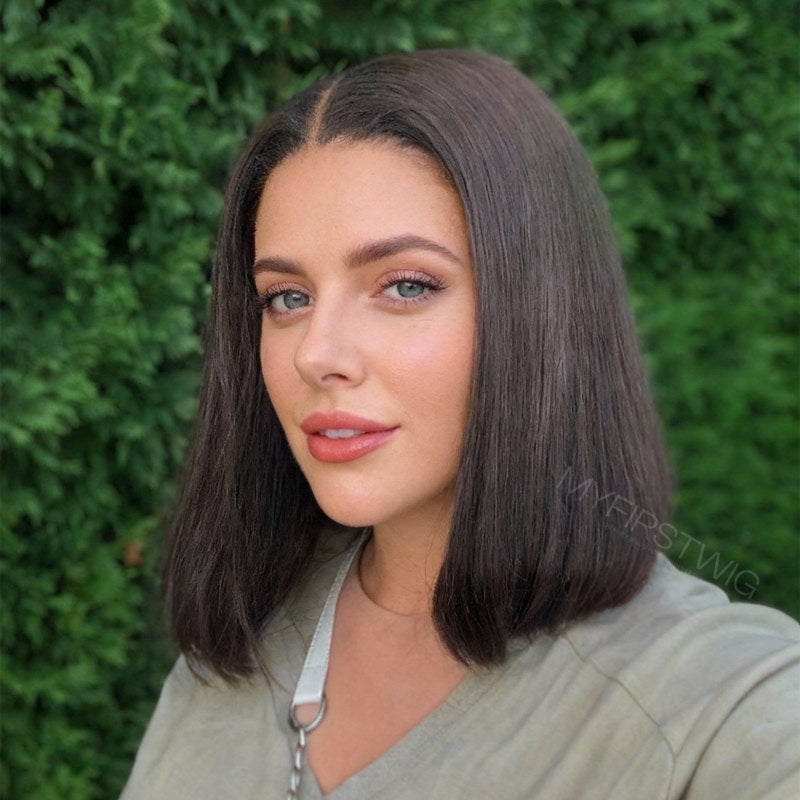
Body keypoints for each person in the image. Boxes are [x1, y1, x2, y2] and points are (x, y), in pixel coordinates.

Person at [120, 49, 799, 799]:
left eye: (405, 286)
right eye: (287, 297)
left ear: (540, 309)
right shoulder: (241, 642)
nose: (316, 353)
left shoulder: (716, 702)